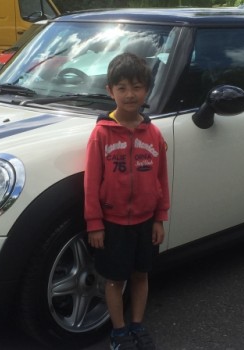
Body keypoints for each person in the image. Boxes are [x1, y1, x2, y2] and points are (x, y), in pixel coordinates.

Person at [84, 52, 170, 350]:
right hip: (113, 224)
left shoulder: (154, 134)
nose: (130, 94)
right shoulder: (101, 135)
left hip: (146, 222)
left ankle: (137, 324)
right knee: (114, 280)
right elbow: (91, 183)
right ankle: (119, 331)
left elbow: (161, 179)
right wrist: (94, 224)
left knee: (140, 275)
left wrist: (160, 217)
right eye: (121, 87)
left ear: (146, 89)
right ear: (110, 91)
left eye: (136, 86)